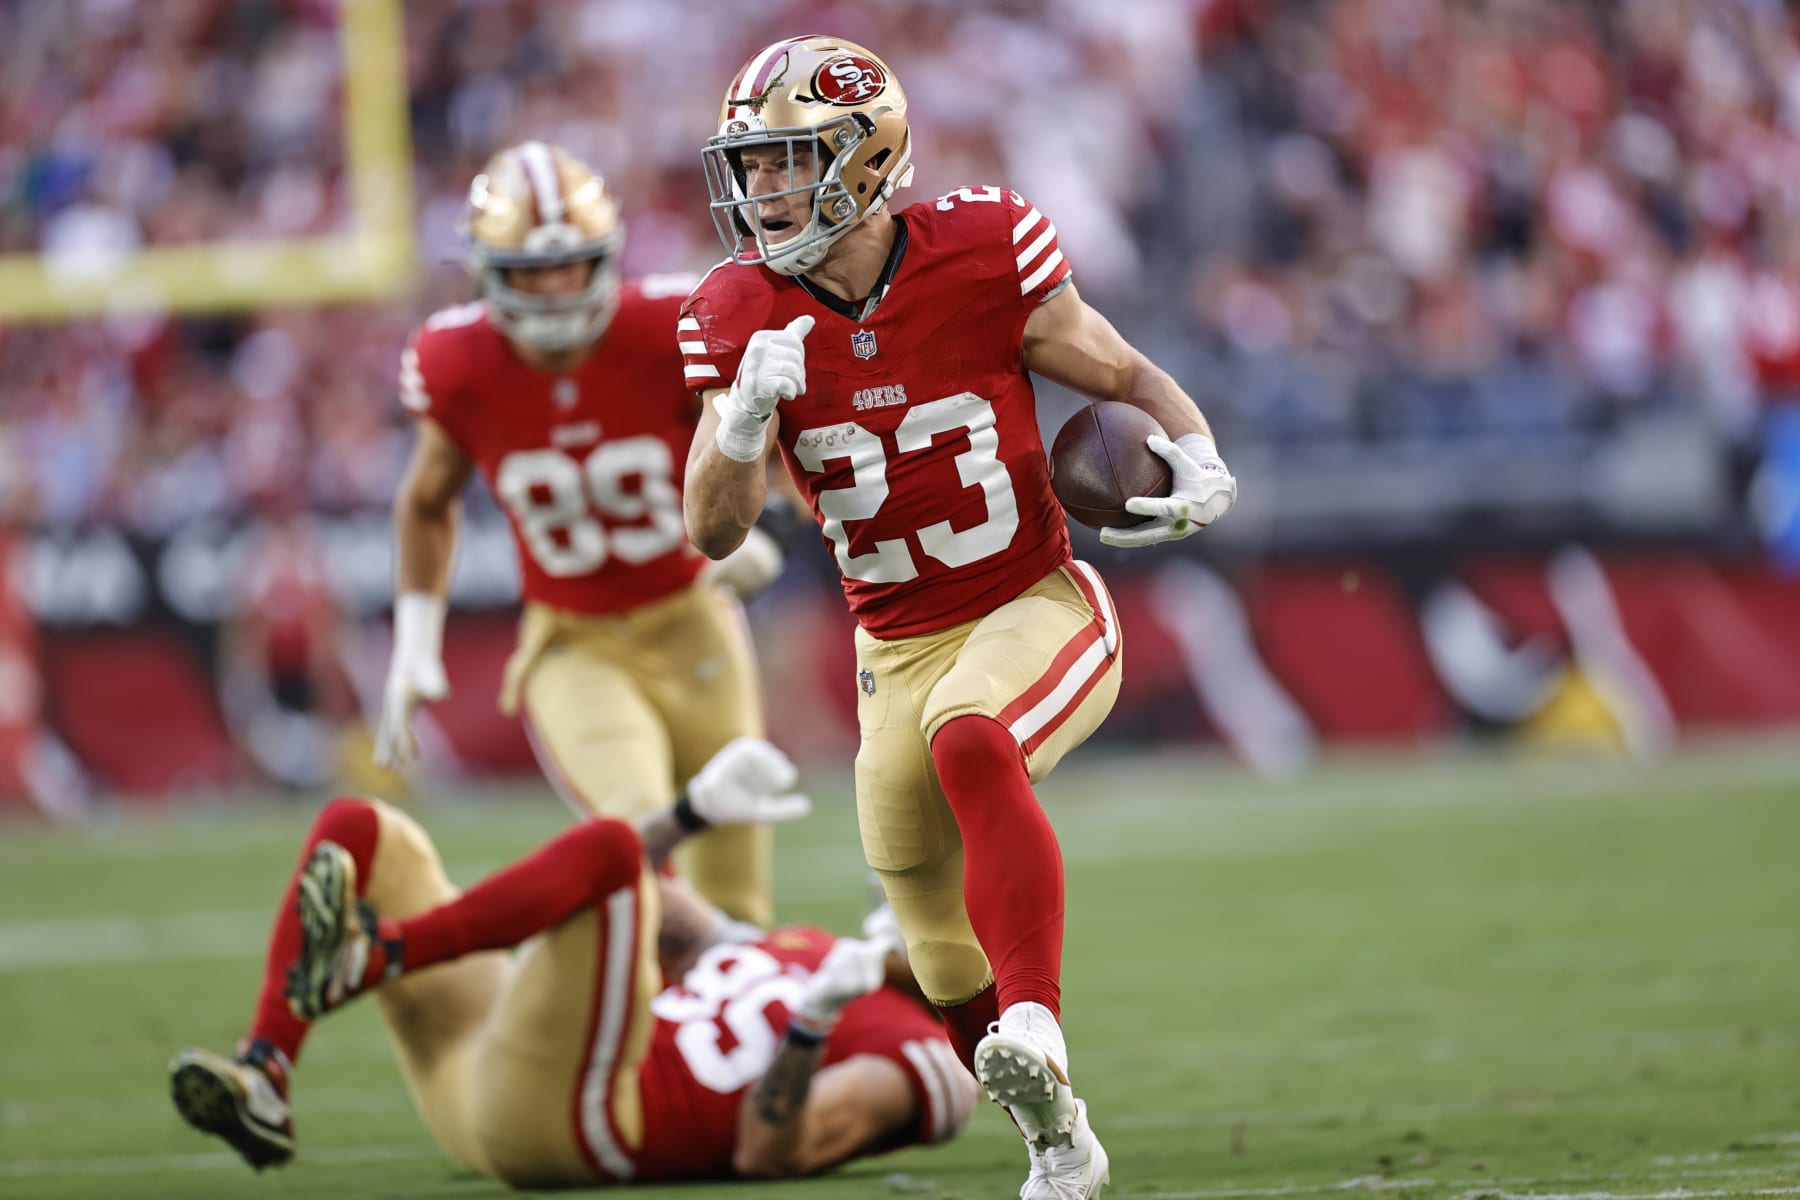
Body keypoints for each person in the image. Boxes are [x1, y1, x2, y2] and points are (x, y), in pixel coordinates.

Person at [679, 35, 1239, 1199]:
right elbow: (712, 529)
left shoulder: (984, 249)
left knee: (975, 736)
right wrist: (741, 423)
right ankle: (1058, 1142)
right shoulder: (740, 309)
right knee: (936, 949)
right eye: (753, 164)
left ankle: (1039, 1024)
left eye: (787, 161)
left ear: (867, 158)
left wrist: (1196, 456)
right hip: (893, 645)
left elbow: (1125, 378)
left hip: (1034, 599)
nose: (762, 189)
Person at [168, 737, 978, 1185]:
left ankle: (378, 959)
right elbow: (664, 910)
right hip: (505, 1066)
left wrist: (810, 1025)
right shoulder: (818, 950)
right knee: (362, 830)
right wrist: (691, 816)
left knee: (609, 852)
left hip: (582, 1121)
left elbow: (769, 1154)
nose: (898, 900)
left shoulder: (927, 1059)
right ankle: (267, 1071)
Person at [377, 141, 784, 925]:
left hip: (695, 623)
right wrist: (414, 642)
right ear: (487, 270)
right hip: (575, 642)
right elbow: (428, 500)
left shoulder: (672, 325)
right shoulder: (457, 362)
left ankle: (732, 1042)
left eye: (572, 266)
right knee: (639, 843)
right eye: (533, 271)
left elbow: (778, 441)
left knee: (740, 900)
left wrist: (766, 527)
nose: (558, 289)